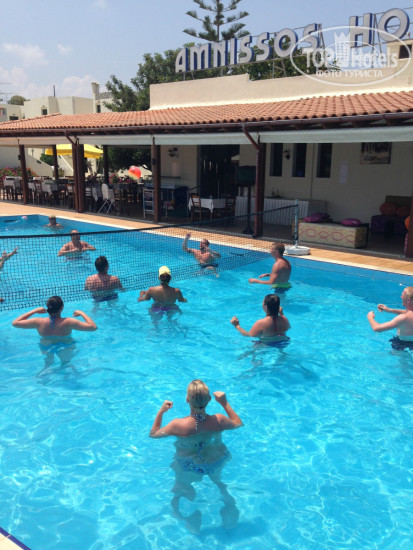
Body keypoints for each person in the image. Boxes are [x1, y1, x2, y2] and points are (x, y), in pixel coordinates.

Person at [150, 379, 242, 531]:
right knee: (219, 484)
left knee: (180, 489)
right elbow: (238, 423)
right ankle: (229, 509)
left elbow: (153, 434)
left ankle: (186, 521)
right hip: (216, 460)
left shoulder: (177, 425)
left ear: (187, 400)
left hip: (190, 465)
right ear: (209, 399)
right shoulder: (219, 420)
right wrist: (224, 403)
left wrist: (161, 412)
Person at [12, 296, 97, 373]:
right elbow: (93, 327)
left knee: (48, 363)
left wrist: (35, 311)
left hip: (46, 346)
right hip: (65, 346)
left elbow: (15, 323)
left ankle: (43, 375)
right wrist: (81, 313)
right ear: (62, 308)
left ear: (48, 308)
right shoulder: (68, 322)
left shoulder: (38, 322)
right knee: (66, 363)